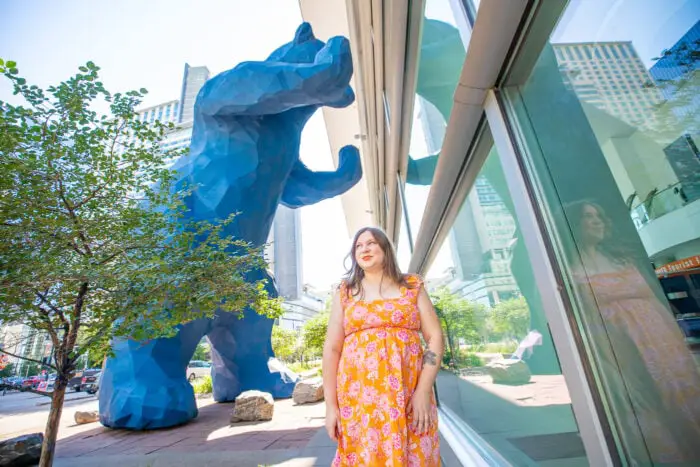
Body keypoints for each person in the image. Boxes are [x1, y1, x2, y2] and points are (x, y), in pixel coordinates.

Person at [567, 200, 700, 463]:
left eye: (600, 216)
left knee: (686, 406)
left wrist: (679, 342)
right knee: (654, 414)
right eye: (588, 216)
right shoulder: (570, 271)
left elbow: (657, 303)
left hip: (666, 350)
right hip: (625, 355)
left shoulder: (624, 260)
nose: (597, 221)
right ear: (574, 224)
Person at [323, 227, 443, 466]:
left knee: (416, 453)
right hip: (359, 400)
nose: (364, 249)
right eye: (359, 246)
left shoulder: (411, 285)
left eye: (371, 243)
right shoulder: (345, 292)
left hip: (409, 395)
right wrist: (330, 406)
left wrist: (422, 391)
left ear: (385, 248)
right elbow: (332, 349)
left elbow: (435, 337)